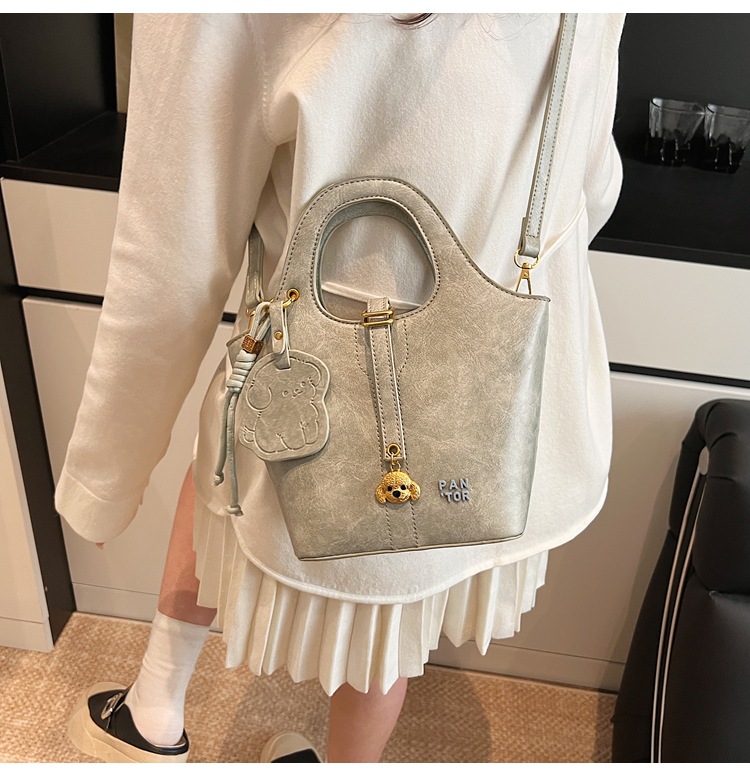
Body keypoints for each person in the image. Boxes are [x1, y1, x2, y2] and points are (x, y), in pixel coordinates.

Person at [57, 12, 625, 763]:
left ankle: (153, 711)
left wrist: (106, 474)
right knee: (397, 594)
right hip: (502, 371)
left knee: (237, 459)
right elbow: (593, 179)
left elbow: (172, 248)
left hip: (320, 335)